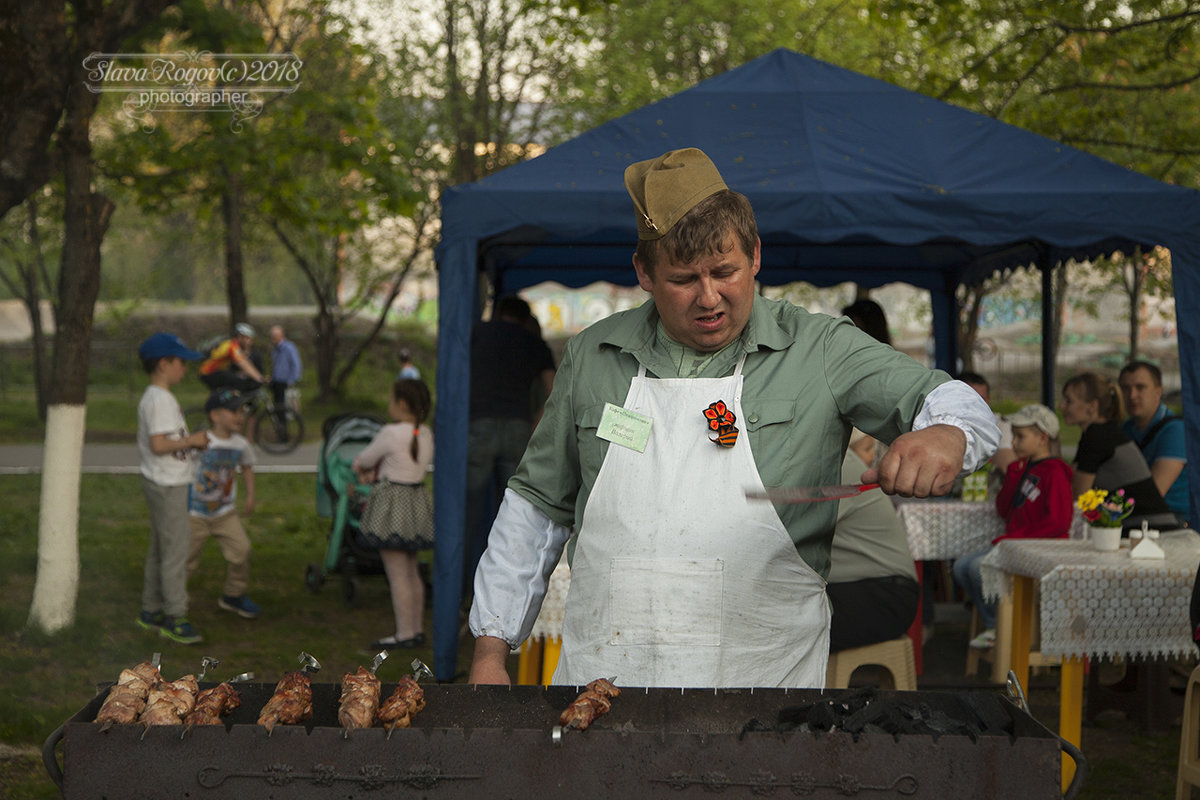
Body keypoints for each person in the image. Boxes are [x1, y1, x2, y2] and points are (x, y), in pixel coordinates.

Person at [467, 147, 999, 688]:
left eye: (726, 272)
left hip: (763, 683)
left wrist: (947, 434)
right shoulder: (593, 355)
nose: (709, 297)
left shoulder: (819, 347)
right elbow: (537, 506)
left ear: (756, 257)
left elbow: (950, 400)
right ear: (643, 273)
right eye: (683, 279)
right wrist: (491, 651)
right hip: (604, 678)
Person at [953, 403, 1074, 648]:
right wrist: (1013, 477)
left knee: (977, 567)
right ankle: (994, 622)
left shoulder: (1055, 473)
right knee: (960, 566)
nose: (1014, 442)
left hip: (1039, 551)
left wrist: (1016, 538)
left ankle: (998, 627)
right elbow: (1004, 510)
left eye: (1020, 436)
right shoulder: (1025, 469)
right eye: (1014, 436)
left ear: (1042, 438)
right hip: (1018, 546)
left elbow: (1059, 521)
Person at [462, 295, 556, 596]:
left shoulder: (477, 333)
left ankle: (465, 590)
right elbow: (553, 390)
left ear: (499, 311)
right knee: (517, 517)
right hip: (517, 428)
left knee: (470, 515)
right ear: (525, 317)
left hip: (478, 426)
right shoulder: (533, 343)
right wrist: (535, 423)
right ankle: (510, 592)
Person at [135, 332, 210, 645]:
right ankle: (175, 617)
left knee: (161, 547)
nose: (185, 368)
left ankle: (150, 610)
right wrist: (192, 441)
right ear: (164, 364)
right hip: (168, 484)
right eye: (181, 362)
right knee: (176, 550)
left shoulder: (157, 397)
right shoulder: (159, 399)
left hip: (162, 481)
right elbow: (159, 443)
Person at [353, 379, 435, 650]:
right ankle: (416, 629)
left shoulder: (390, 432)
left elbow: (365, 459)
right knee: (412, 571)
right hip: (415, 502)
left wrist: (359, 468)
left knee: (397, 573)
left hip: (392, 506)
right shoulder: (425, 433)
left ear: (401, 403)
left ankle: (404, 634)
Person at [826, 430, 920, 652]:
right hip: (868, 590)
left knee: (783, 620)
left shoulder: (839, 465)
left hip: (884, 597)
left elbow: (790, 531)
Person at [1060, 371, 1172, 527]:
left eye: (1068, 401)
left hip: (1147, 527)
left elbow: (1078, 496)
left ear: (1092, 406)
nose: (1061, 406)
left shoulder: (1096, 435)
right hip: (1147, 524)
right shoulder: (1102, 432)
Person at [186, 388, 261, 620]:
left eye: (242, 411)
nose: (240, 416)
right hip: (194, 514)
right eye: (233, 411)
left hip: (224, 513)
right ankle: (172, 599)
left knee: (242, 550)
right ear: (215, 415)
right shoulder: (201, 440)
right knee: (185, 559)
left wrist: (250, 495)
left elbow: (247, 467)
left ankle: (233, 595)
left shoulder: (241, 444)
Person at [1118, 360, 1189, 521]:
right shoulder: (1125, 429)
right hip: (1138, 516)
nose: (1132, 395)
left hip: (1175, 521)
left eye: (1140, 387)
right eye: (1125, 388)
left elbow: (1155, 492)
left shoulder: (1175, 430)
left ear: (1158, 392)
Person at [956, 371, 1018, 476]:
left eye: (982, 399)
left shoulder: (1000, 424)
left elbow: (1007, 467)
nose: (978, 405)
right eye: (971, 399)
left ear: (988, 400)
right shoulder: (944, 423)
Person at [199, 322, 265, 393]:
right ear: (239, 337)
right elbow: (244, 365)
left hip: (212, 372)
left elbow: (246, 363)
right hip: (209, 373)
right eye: (246, 338)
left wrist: (258, 377)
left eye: (249, 339)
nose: (247, 341)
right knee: (239, 384)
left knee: (235, 381)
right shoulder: (232, 346)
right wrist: (260, 379)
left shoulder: (231, 344)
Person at [268, 325, 302, 419]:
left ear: (281, 336)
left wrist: (292, 380)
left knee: (284, 408)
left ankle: (284, 430)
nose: (273, 338)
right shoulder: (275, 349)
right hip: (277, 381)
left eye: (275, 336)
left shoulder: (289, 348)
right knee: (278, 407)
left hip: (285, 382)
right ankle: (280, 427)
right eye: (272, 336)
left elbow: (296, 364)